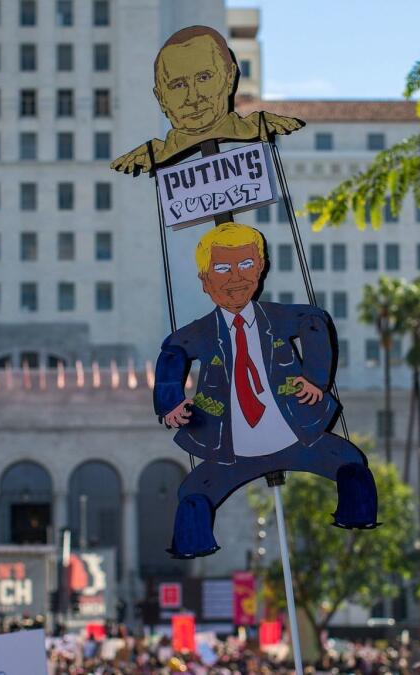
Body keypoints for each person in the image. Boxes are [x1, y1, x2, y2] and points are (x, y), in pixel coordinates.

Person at [153, 222, 378, 558]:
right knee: (193, 494)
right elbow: (173, 352)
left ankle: (357, 516)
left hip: (296, 436)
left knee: (352, 466)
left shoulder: (277, 317)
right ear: (205, 280)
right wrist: (170, 403)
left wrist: (316, 379)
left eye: (245, 265)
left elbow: (314, 321)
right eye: (222, 268)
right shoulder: (201, 333)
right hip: (232, 449)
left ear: (260, 268)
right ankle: (193, 544)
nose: (235, 278)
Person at [110, 25, 303, 175]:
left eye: (204, 78)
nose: (193, 98)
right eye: (178, 85)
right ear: (161, 98)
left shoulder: (262, 127)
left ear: (230, 78)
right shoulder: (151, 156)